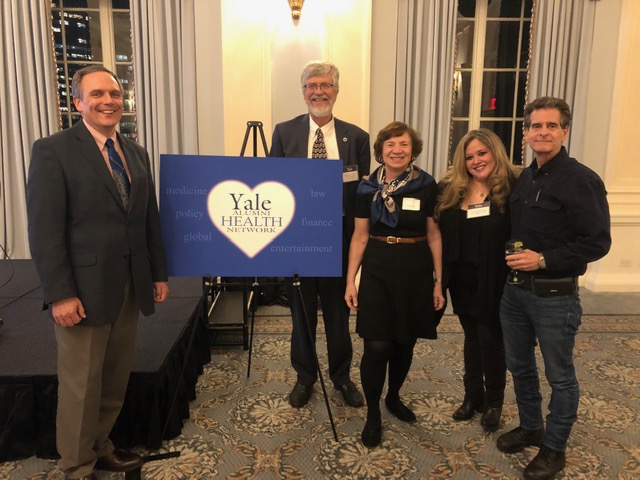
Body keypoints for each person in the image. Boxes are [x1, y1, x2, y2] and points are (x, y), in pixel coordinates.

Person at [27, 66, 169, 480]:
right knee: (81, 385)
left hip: (129, 285)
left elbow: (147, 220)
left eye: (114, 93)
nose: (108, 100)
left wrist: (157, 274)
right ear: (78, 103)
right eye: (97, 95)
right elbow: (44, 229)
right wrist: (59, 294)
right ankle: (77, 465)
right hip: (82, 291)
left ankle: (100, 446)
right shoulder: (53, 150)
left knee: (113, 378)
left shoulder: (135, 152)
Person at [497, 97, 611, 480]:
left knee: (560, 375)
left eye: (551, 126)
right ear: (526, 132)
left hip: (554, 296)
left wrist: (543, 259)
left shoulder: (582, 180)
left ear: (565, 131)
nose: (542, 132)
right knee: (520, 366)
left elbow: (597, 242)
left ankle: (554, 448)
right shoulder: (526, 176)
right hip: (514, 293)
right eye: (535, 126)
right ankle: (532, 427)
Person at [270, 61, 370, 409]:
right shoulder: (284, 132)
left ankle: (341, 376)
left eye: (325, 85)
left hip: (339, 240)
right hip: (297, 239)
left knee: (338, 314)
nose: (318, 91)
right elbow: (273, 186)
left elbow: (361, 193)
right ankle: (305, 377)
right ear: (303, 92)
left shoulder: (356, 137)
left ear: (336, 91)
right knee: (301, 315)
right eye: (312, 85)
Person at [345, 121, 445, 448]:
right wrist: (351, 281)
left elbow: (433, 235)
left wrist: (438, 283)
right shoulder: (365, 187)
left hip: (415, 269)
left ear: (412, 150)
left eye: (403, 144)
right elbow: (359, 236)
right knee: (377, 345)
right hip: (377, 268)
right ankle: (373, 413)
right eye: (390, 144)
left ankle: (394, 397)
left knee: (404, 342)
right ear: (380, 151)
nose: (397, 150)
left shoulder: (427, 185)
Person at [435, 129, 519, 433]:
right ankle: (473, 396)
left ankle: (494, 402)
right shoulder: (452, 189)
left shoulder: (513, 188)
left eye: (482, 153)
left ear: (495, 152)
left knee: (491, 338)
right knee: (471, 336)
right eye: (469, 156)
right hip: (462, 277)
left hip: (497, 277)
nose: (476, 161)